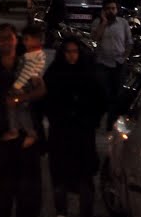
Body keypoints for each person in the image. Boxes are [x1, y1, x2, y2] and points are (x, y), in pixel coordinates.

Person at [0, 23, 45, 217]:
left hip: (26, 136)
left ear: (17, 40)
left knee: (28, 189)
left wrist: (22, 98)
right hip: (1, 133)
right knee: (0, 188)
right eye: (2, 38)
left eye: (10, 38)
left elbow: (41, 90)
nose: (6, 42)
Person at [44, 36, 105, 217]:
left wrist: (88, 120)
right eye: (68, 52)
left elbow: (100, 101)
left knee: (85, 178)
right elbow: (46, 100)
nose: (71, 56)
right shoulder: (55, 73)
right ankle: (61, 211)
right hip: (61, 134)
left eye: (75, 52)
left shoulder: (88, 74)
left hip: (82, 135)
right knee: (60, 178)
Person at [1, 25, 46, 148]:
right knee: (13, 107)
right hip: (22, 86)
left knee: (21, 109)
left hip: (24, 88)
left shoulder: (35, 55)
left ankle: (29, 132)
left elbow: (28, 73)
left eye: (27, 39)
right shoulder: (30, 54)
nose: (24, 42)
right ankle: (15, 130)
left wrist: (17, 86)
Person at [92, 0, 132, 130]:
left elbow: (129, 42)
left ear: (117, 10)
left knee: (117, 94)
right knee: (103, 93)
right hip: (102, 63)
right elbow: (95, 38)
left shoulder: (123, 23)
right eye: (108, 9)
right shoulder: (98, 23)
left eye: (113, 8)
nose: (110, 11)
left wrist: (125, 56)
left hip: (118, 63)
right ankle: (98, 119)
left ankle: (111, 123)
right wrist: (103, 23)